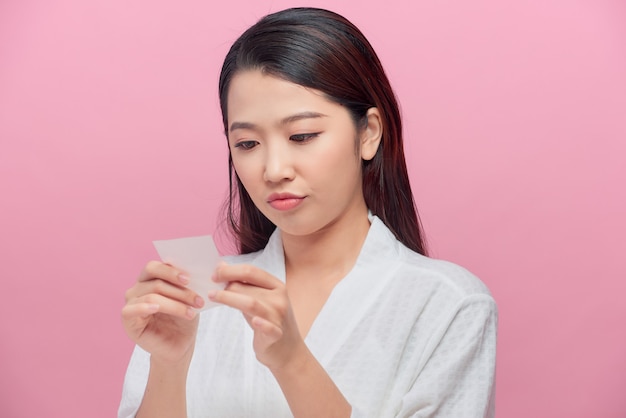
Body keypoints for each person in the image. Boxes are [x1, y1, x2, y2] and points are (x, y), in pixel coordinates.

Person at [119, 7, 497, 418]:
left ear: (368, 132)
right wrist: (169, 365)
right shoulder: (199, 298)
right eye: (246, 144)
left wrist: (292, 362)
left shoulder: (449, 305)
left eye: (302, 136)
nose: (274, 170)